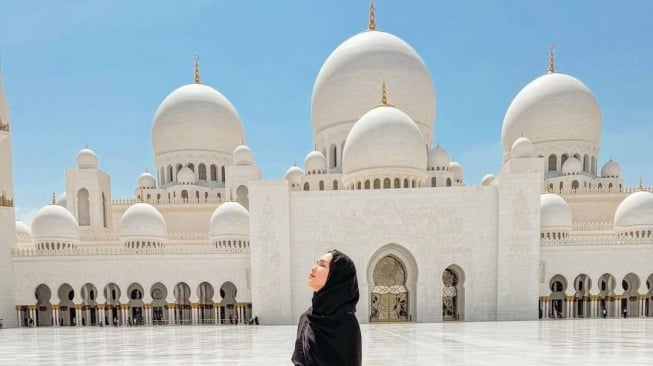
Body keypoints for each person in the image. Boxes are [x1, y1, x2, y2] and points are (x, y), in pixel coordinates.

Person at [292, 249, 362, 366]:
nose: (313, 268)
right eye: (316, 262)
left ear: (336, 276)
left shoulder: (345, 323)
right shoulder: (306, 318)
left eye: (322, 265)